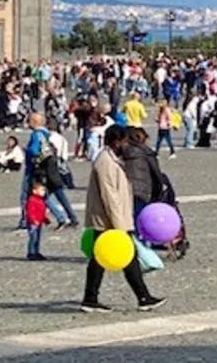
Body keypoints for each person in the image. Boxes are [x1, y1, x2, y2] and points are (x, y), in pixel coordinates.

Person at [81, 124, 166, 313]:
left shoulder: (112, 158)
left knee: (99, 259)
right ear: (115, 141)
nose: (126, 144)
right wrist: (120, 225)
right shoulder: (105, 162)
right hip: (108, 219)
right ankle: (143, 297)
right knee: (128, 256)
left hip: (110, 218)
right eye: (124, 141)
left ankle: (90, 298)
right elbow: (109, 194)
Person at [123, 126, 164, 222]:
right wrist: (159, 193)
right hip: (143, 192)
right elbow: (156, 174)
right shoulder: (146, 152)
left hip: (125, 192)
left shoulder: (123, 152)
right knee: (140, 221)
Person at [25, 179, 50, 261]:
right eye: (42, 190)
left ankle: (36, 252)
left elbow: (41, 212)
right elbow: (30, 212)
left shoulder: (40, 200)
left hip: (38, 222)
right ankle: (31, 253)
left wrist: (45, 219)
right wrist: (33, 220)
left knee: (37, 238)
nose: (44, 192)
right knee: (33, 237)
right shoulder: (32, 200)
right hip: (33, 223)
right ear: (34, 191)